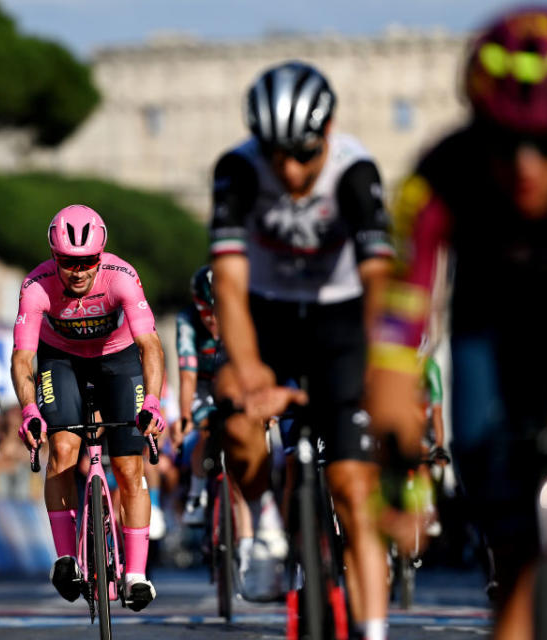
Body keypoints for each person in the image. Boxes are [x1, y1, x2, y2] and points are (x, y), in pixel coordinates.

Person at [366, 8, 547, 638]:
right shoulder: (439, 177)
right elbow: (400, 321)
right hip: (490, 320)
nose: (527, 166)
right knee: (508, 535)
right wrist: (395, 450)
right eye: (505, 142)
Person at [209, 61, 394, 638]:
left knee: (354, 490)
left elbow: (379, 284)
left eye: (304, 155)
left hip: (340, 318)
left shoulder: (355, 171)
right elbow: (229, 285)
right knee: (234, 411)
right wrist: (248, 368)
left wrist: (378, 365)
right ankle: (264, 518)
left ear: (329, 131)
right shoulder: (237, 170)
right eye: (276, 155)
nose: (290, 171)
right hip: (265, 311)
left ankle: (374, 630)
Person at [11, 204, 166, 611]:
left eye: (87, 262)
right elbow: (23, 357)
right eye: (68, 262)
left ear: (101, 256)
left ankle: (135, 574)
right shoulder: (36, 285)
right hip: (61, 360)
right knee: (62, 451)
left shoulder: (123, 279)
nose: (78, 271)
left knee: (129, 466)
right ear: (54, 256)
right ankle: (65, 558)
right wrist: (29, 410)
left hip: (119, 360)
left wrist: (152, 401)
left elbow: (150, 345)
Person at [172, 264, 286, 600]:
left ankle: (251, 547)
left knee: (245, 460)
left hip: (239, 386)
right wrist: (184, 416)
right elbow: (188, 376)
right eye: (205, 313)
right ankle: (196, 494)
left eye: (216, 312)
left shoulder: (242, 317)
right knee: (206, 429)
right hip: (205, 385)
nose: (211, 320)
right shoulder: (187, 321)